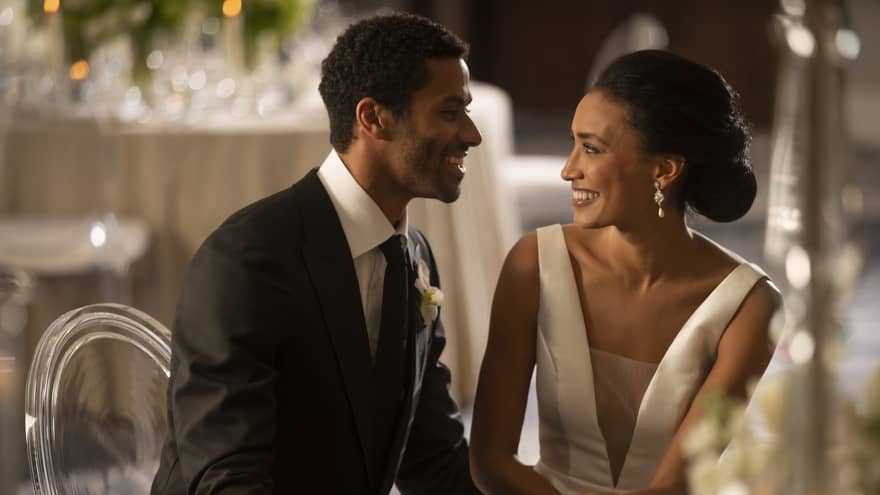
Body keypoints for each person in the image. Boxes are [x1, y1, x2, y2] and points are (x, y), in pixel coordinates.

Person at [151, 13, 482, 495]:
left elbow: (435, 463)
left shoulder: (414, 255)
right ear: (373, 118)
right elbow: (227, 481)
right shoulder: (249, 259)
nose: (472, 134)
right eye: (450, 112)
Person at [469, 49, 782, 495]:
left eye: (591, 149)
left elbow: (680, 482)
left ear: (664, 170)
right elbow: (490, 460)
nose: (567, 169)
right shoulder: (533, 263)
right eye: (573, 143)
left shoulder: (749, 307)